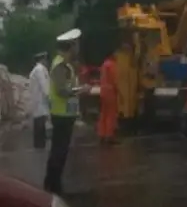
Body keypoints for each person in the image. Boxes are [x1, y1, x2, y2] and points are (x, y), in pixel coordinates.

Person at [44, 28, 87, 194]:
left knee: (60, 150)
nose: (78, 48)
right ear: (71, 46)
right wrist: (80, 90)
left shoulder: (66, 65)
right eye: (76, 45)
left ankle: (52, 182)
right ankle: (53, 186)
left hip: (66, 114)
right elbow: (63, 90)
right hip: (61, 115)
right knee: (59, 151)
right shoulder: (60, 66)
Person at [29, 52, 51, 149]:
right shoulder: (40, 70)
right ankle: (39, 145)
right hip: (40, 99)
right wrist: (49, 96)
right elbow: (44, 84)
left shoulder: (38, 69)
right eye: (45, 59)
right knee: (40, 122)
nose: (47, 61)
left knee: (39, 120)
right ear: (42, 60)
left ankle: (39, 144)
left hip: (38, 99)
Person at [97, 53, 119, 144]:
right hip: (110, 92)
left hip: (103, 91)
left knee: (103, 114)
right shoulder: (112, 65)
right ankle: (109, 135)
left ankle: (102, 134)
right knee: (111, 114)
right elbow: (115, 79)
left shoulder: (104, 65)